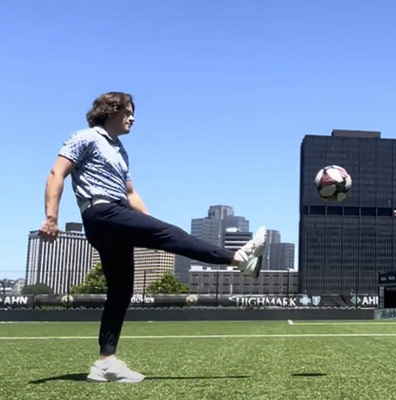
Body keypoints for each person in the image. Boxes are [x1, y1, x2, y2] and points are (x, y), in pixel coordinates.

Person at [38, 92, 266, 383]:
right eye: (128, 112)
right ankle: (238, 258)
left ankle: (105, 362)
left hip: (116, 218)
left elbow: (131, 194)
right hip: (101, 212)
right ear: (111, 111)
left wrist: (150, 227)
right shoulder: (85, 138)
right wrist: (51, 218)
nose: (132, 118)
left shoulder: (120, 151)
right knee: (170, 234)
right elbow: (56, 173)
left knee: (121, 292)